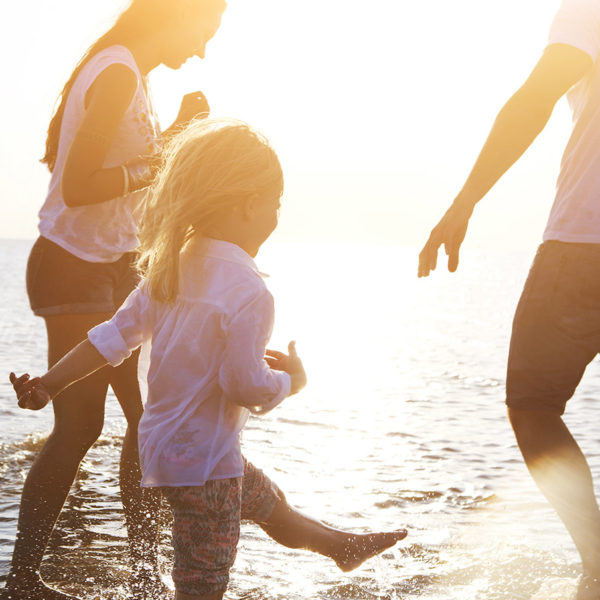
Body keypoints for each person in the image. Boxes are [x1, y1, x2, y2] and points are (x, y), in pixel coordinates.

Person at [10, 118, 407, 600]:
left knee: (265, 502)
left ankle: (337, 545)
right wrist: (289, 384)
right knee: (202, 584)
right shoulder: (249, 290)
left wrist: (50, 383)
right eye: (276, 204)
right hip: (205, 469)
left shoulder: (170, 266)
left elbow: (112, 339)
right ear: (249, 204)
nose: (278, 217)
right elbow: (245, 385)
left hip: (160, 454)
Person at [2, 2, 227, 599]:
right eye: (205, 32)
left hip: (117, 263)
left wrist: (174, 136)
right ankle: (22, 580)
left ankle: (149, 579)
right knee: (80, 425)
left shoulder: (134, 75)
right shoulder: (119, 71)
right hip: (73, 264)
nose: (203, 50)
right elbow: (77, 185)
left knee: (146, 419)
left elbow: (120, 172)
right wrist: (163, 152)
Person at [418, 0, 600, 596]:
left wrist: (466, 198)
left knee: (533, 402)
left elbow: (536, 97)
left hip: (585, 242)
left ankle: (598, 562)